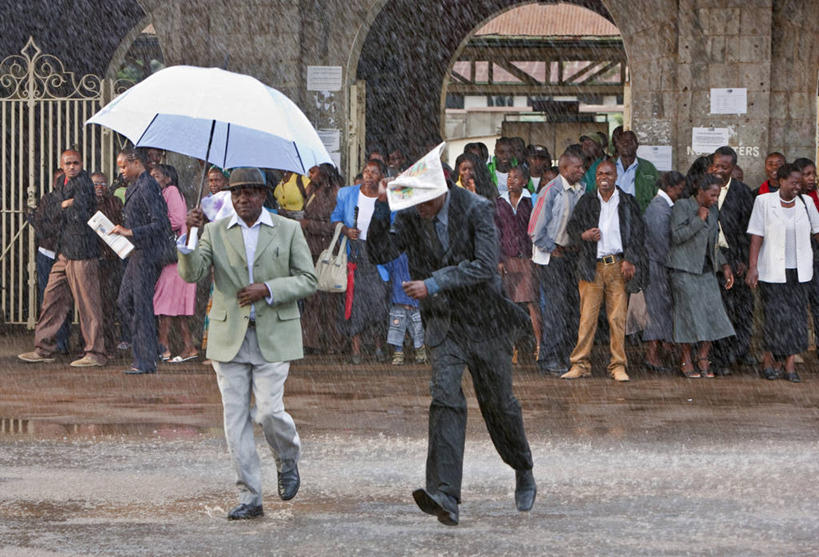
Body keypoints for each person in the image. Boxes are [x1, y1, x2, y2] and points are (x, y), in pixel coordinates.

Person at [367, 177, 536, 527]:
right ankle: (445, 495)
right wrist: (382, 206)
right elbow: (379, 252)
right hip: (446, 325)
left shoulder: (477, 208)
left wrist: (433, 283)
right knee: (444, 399)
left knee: (499, 404)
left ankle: (522, 466)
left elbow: (485, 265)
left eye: (427, 201)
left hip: (486, 321)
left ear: (443, 190)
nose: (421, 209)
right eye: (415, 202)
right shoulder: (413, 215)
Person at [179, 167, 317, 520]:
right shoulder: (213, 231)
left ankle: (287, 459)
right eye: (236, 193)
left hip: (274, 334)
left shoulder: (287, 230)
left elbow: (308, 280)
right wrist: (189, 235)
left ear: (263, 195)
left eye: (250, 193)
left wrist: (268, 289)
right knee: (235, 419)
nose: (243, 199)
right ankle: (250, 496)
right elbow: (192, 274)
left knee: (270, 412)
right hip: (229, 338)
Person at [18, 150, 106, 367]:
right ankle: (44, 348)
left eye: (76, 162)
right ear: (61, 165)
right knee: (51, 299)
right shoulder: (62, 185)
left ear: (81, 163)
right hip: (64, 250)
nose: (72, 166)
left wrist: (65, 207)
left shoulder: (85, 183)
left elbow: (80, 211)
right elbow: (54, 212)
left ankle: (95, 352)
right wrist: (64, 205)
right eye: (68, 163)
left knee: (88, 304)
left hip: (82, 251)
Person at [563, 160, 646, 382]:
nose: (604, 177)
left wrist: (630, 259)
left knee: (617, 318)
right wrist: (584, 235)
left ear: (616, 176)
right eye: (600, 174)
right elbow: (572, 227)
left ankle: (618, 365)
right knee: (587, 317)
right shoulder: (588, 201)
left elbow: (638, 234)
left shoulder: (628, 202)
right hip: (592, 265)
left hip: (618, 266)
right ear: (596, 177)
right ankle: (580, 364)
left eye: (608, 173)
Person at [746, 163, 819, 383]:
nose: (798, 186)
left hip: (800, 272)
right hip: (772, 272)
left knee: (796, 320)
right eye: (794, 182)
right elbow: (756, 236)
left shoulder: (806, 204)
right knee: (773, 319)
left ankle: (789, 366)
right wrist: (753, 267)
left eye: (800, 182)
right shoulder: (764, 202)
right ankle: (768, 361)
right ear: (782, 181)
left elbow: (817, 232)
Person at [111, 147, 172, 375]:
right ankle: (149, 348)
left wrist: (131, 232)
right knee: (125, 301)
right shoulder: (135, 186)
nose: (122, 171)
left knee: (141, 305)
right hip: (137, 252)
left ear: (136, 162)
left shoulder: (148, 185)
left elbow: (161, 223)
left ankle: (145, 360)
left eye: (124, 166)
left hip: (148, 253)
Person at [666, 174, 735, 378]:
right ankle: (686, 359)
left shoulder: (713, 210)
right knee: (688, 317)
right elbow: (677, 236)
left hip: (706, 270)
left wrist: (724, 264)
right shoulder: (682, 206)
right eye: (712, 195)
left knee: (714, 315)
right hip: (685, 270)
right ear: (700, 191)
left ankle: (703, 357)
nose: (714, 199)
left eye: (717, 195)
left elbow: (712, 242)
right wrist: (699, 219)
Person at [528, 148, 586, 374]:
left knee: (570, 307)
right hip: (553, 258)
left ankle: (564, 354)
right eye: (577, 167)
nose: (582, 171)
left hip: (572, 256)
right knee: (555, 308)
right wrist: (553, 249)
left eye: (582, 167)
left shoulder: (581, 189)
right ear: (564, 169)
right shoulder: (550, 191)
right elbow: (534, 230)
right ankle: (549, 358)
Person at [331, 159, 391, 364]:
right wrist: (346, 230)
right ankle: (355, 350)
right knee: (354, 302)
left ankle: (378, 347)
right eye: (366, 171)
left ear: (381, 176)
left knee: (378, 301)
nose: (369, 176)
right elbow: (335, 218)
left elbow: (394, 224)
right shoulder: (347, 194)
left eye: (374, 172)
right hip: (354, 254)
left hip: (376, 256)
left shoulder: (386, 198)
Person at [708, 146, 756, 374]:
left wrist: (745, 261)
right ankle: (717, 358)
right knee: (716, 311)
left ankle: (734, 354)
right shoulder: (703, 189)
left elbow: (750, 230)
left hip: (735, 260)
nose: (718, 170)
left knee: (738, 309)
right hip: (710, 261)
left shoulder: (743, 193)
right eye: (716, 165)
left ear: (733, 168)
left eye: (724, 167)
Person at [151, 164, 197, 363]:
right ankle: (187, 346)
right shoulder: (169, 192)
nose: (153, 179)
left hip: (176, 254)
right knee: (175, 305)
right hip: (177, 255)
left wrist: (157, 226)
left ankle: (165, 346)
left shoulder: (170, 191)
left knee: (164, 302)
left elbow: (178, 220)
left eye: (157, 175)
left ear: (168, 178)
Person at [642, 171, 686, 371]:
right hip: (657, 266)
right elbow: (661, 244)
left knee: (659, 311)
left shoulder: (661, 206)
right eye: (679, 188)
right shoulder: (660, 209)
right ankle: (652, 356)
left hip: (657, 265)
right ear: (670, 188)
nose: (681, 192)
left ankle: (657, 354)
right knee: (657, 311)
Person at [495, 165, 539, 361]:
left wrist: (535, 256)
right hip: (508, 259)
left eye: (515, 178)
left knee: (532, 302)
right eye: (509, 178)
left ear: (524, 181)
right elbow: (496, 232)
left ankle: (539, 344)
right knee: (509, 304)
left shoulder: (532, 201)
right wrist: (498, 258)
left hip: (527, 258)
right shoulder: (500, 203)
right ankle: (511, 347)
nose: (510, 181)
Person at [299, 163, 343, 353]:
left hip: (325, 251)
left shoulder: (333, 194)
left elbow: (333, 225)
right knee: (313, 297)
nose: (310, 174)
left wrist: (308, 224)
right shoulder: (312, 191)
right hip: (311, 249)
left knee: (329, 298)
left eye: (314, 171)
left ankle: (332, 341)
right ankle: (312, 340)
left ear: (323, 174)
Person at [29, 171, 70, 355]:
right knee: (49, 299)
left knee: (65, 299)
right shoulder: (48, 200)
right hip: (48, 252)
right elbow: (41, 226)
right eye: (58, 180)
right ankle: (51, 341)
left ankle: (62, 340)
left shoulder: (75, 199)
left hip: (66, 253)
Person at [93, 171, 124, 357]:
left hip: (111, 259)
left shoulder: (115, 203)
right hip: (92, 258)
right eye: (96, 184)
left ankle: (109, 345)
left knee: (109, 305)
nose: (99, 187)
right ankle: (91, 344)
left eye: (103, 184)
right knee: (91, 305)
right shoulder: (86, 204)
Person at [793, 158, 819, 350]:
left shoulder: (811, 199)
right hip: (797, 262)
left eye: (813, 174)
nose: (811, 179)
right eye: (807, 174)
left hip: (814, 260)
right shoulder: (784, 199)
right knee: (797, 309)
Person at [382, 253, 426, 365]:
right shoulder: (397, 252)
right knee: (401, 326)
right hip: (401, 296)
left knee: (415, 326)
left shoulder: (411, 252)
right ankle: (401, 352)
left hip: (411, 296)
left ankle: (417, 351)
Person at [610, 130, 659, 212]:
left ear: (637, 145)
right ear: (617, 145)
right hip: (611, 217)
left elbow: (657, 195)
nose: (626, 144)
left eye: (630, 141)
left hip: (639, 217)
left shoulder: (648, 168)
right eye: (622, 141)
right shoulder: (608, 166)